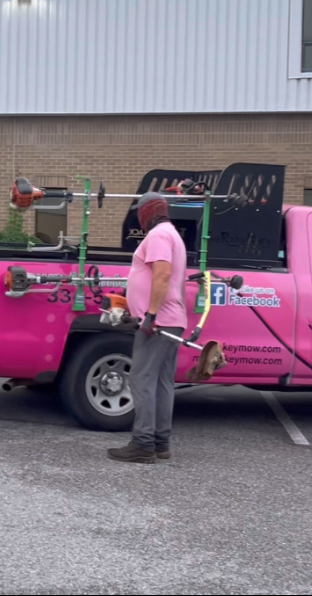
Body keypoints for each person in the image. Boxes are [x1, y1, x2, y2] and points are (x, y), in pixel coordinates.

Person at [108, 191, 188, 465]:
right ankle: (160, 443)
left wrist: (150, 315)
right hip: (172, 320)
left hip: (158, 322)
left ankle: (142, 444)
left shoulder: (158, 236)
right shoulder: (172, 234)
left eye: (140, 214)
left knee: (141, 380)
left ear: (148, 212)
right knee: (162, 383)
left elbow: (162, 273)